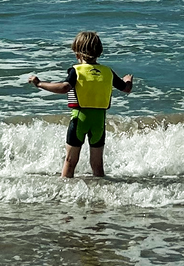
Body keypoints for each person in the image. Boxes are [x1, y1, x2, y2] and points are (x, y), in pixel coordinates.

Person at [28, 31, 134, 177]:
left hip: (80, 120)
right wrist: (128, 80)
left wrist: (39, 83)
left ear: (78, 54)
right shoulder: (108, 72)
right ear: (99, 52)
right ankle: (101, 194)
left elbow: (65, 87)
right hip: (99, 122)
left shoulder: (76, 71)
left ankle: (65, 192)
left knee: (70, 161)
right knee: (97, 165)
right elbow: (126, 89)